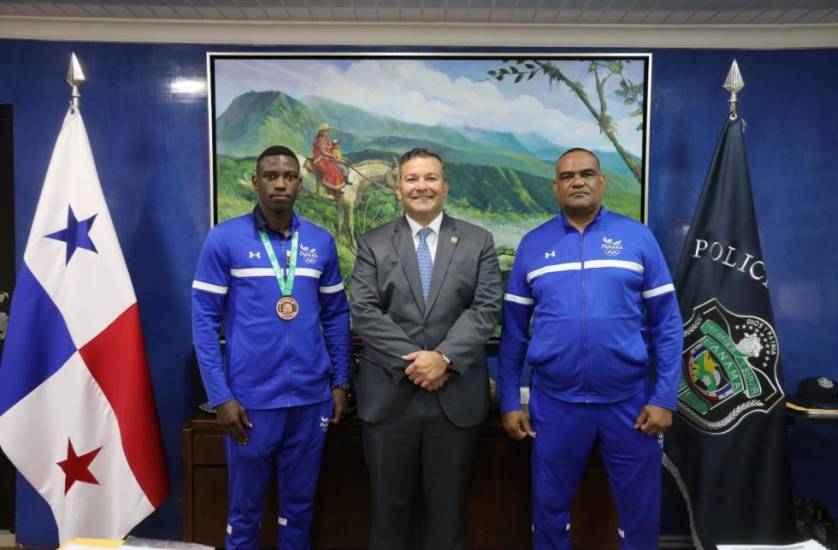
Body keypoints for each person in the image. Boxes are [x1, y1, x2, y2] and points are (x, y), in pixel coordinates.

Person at [498, 148, 683, 550]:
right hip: (555, 405)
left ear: (601, 181)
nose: (576, 182)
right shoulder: (533, 245)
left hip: (630, 405)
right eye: (567, 176)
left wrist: (665, 395)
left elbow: (667, 323)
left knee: (640, 517)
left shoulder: (638, 238)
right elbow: (513, 333)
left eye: (586, 174)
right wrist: (509, 399)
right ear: (555, 186)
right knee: (548, 516)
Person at [192, 145, 351, 550]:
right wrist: (220, 395)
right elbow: (204, 324)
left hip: (310, 400)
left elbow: (335, 316)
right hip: (250, 403)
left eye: (290, 176)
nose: (281, 183)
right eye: (271, 175)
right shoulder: (224, 239)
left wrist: (340, 382)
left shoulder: (320, 241)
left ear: (300, 182)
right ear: (256, 182)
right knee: (244, 512)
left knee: (299, 508)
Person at [350, 148, 502, 550]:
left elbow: (486, 308)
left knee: (448, 517)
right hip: (388, 398)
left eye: (430, 178)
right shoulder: (373, 243)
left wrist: (443, 359)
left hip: (454, 399)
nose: (422, 186)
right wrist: (419, 363)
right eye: (412, 179)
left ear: (445, 187)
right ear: (398, 189)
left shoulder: (477, 241)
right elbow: (364, 311)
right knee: (388, 517)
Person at [312, 123, 346, 196]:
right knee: (331, 171)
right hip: (320, 159)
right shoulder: (319, 140)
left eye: (327, 131)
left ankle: (336, 189)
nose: (326, 133)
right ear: (321, 132)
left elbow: (330, 149)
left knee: (337, 170)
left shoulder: (327, 139)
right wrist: (333, 156)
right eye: (325, 131)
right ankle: (329, 189)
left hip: (327, 158)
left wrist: (336, 153)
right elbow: (323, 152)